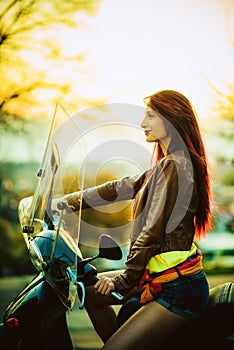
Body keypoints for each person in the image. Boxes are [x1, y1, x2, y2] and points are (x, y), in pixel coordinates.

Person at [63, 90, 213, 349]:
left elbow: (151, 233)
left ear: (172, 119)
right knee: (91, 294)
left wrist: (122, 281)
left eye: (150, 116)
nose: (142, 123)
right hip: (160, 276)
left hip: (177, 288)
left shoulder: (175, 166)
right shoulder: (166, 164)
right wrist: (68, 202)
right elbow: (122, 187)